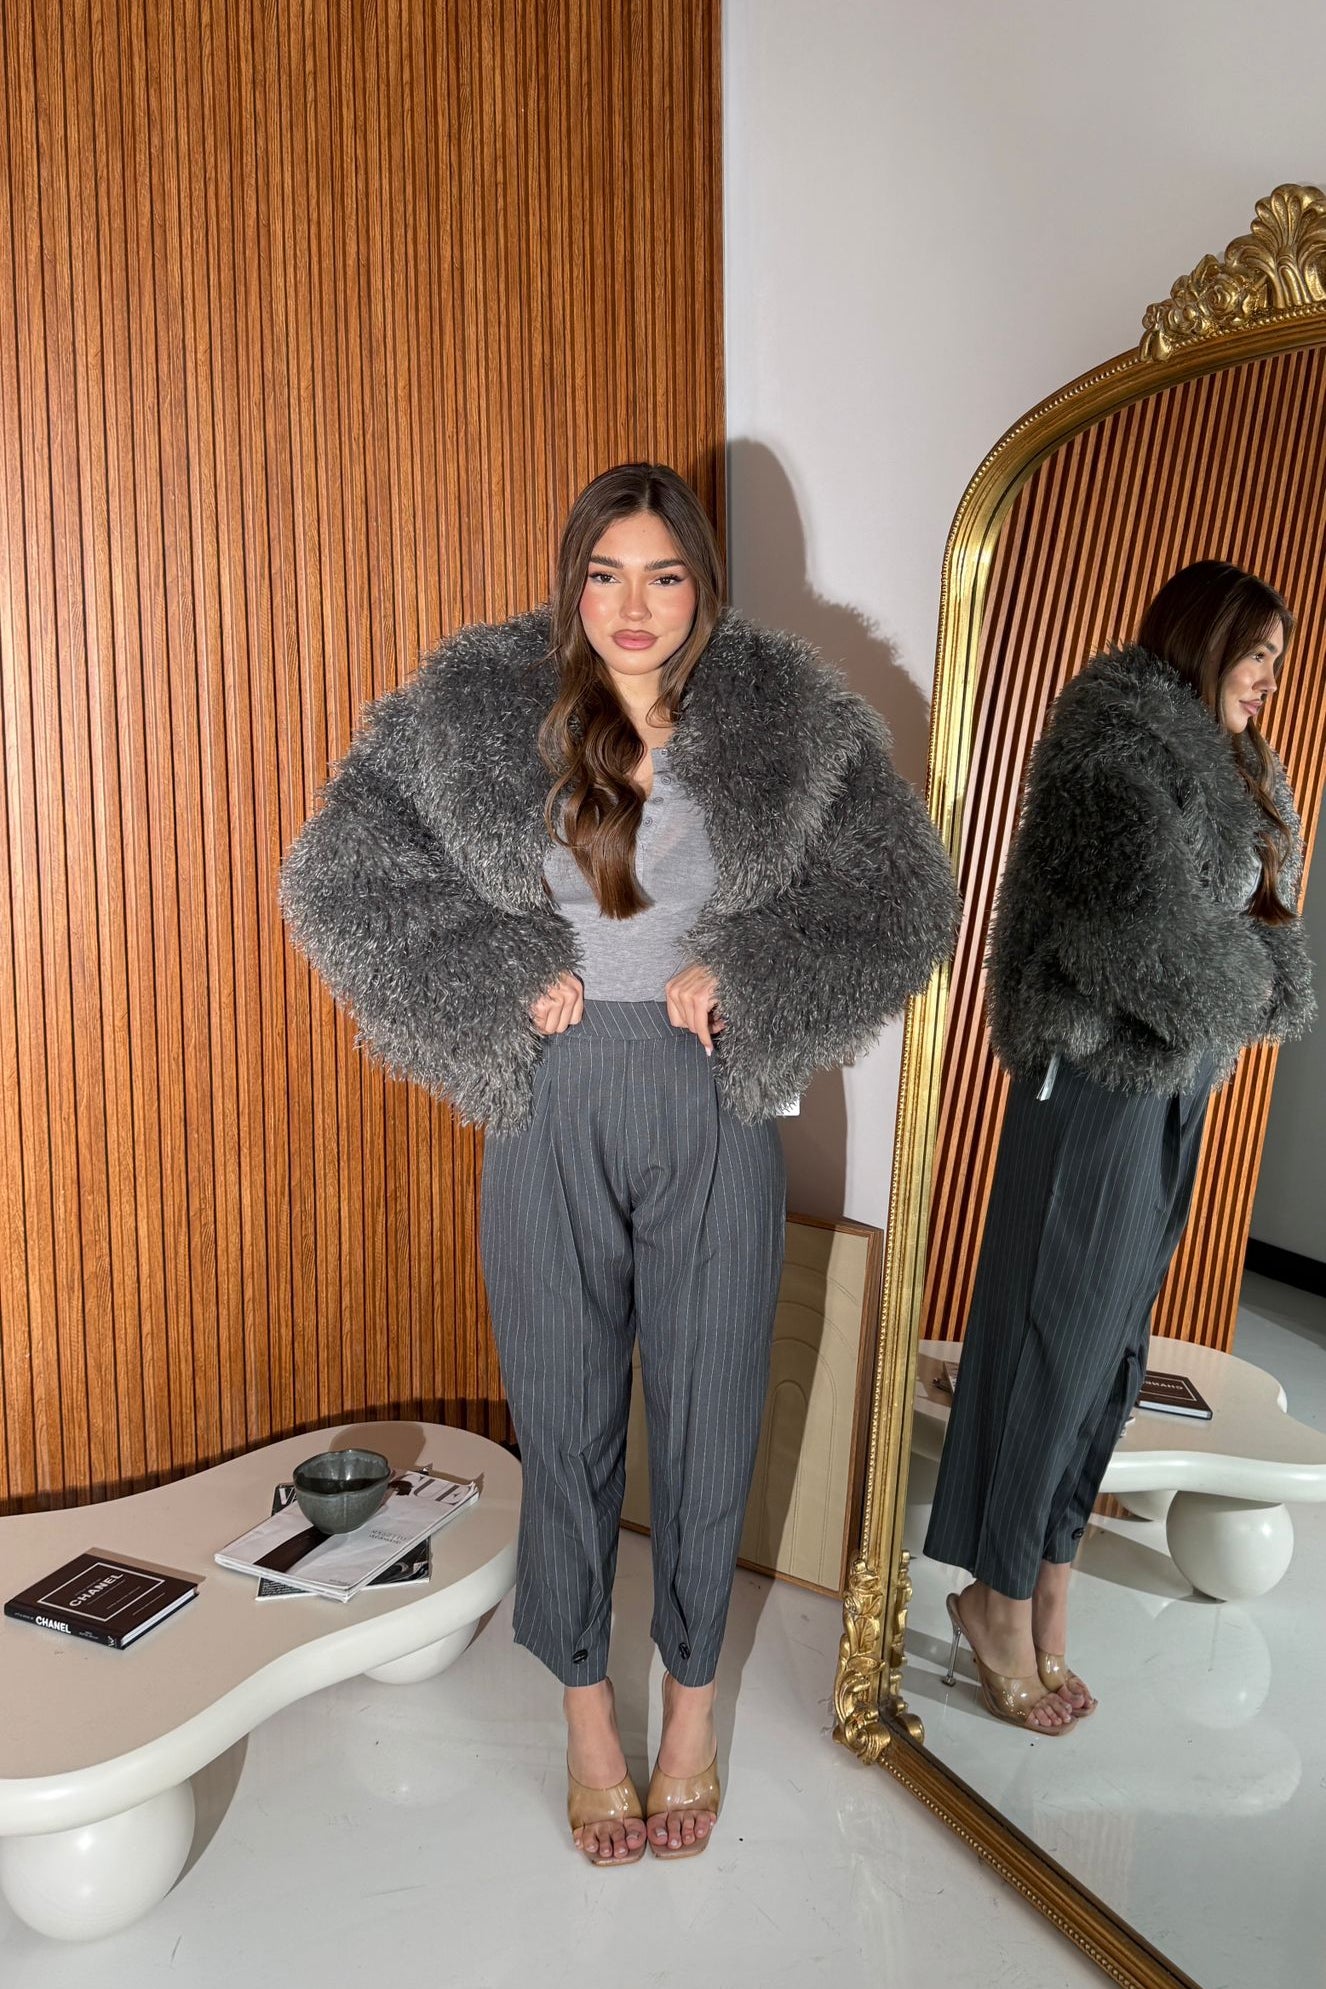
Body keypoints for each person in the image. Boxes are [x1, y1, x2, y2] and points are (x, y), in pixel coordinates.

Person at [280, 462, 959, 1860]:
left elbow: (903, 898)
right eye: (604, 573)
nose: (631, 605)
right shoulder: (483, 710)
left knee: (712, 1417)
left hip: (711, 1103)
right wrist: (494, 976)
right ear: (571, 581)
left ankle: (691, 1715)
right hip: (550, 1104)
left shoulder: (782, 721)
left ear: (701, 585)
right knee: (567, 1418)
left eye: (662, 575)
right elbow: (337, 879)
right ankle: (588, 1714)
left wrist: (749, 969)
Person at [924, 559, 1316, 1734]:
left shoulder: (1235, 765)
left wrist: (1242, 972)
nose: (1269, 677)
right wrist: (1248, 976)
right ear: (1203, 639)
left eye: (1278, 660)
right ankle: (993, 1599)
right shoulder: (1116, 749)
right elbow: (1136, 942)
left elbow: (1255, 932)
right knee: (1052, 1342)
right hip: (1097, 1079)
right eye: (1255, 653)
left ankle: (1047, 1584)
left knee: (1109, 1356)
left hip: (1177, 1078)